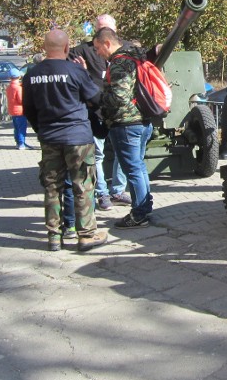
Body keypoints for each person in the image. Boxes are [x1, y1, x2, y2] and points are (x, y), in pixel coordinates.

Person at [22, 29, 107, 252]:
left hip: (49, 138)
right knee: (83, 186)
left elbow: (28, 109)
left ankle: (53, 237)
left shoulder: (32, 74)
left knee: (52, 188)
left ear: (44, 48)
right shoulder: (75, 71)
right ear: (67, 48)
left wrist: (42, 130)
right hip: (78, 137)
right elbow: (96, 99)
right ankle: (86, 236)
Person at [93, 27, 155, 228]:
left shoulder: (120, 63)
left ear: (107, 43)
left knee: (133, 169)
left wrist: (97, 98)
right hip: (143, 121)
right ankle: (145, 207)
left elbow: (119, 97)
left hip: (126, 124)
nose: (97, 53)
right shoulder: (136, 58)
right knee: (139, 166)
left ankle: (139, 214)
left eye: (97, 48)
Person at [69, 13, 131, 210]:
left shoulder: (127, 49)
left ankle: (118, 190)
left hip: (120, 112)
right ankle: (102, 193)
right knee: (97, 155)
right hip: (95, 112)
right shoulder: (81, 52)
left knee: (122, 154)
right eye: (100, 27)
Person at [6, 68, 32, 150]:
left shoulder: (9, 87)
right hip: (20, 111)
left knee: (16, 128)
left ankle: (17, 142)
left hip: (12, 111)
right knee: (22, 128)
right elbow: (21, 100)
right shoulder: (18, 88)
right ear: (19, 77)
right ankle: (21, 144)